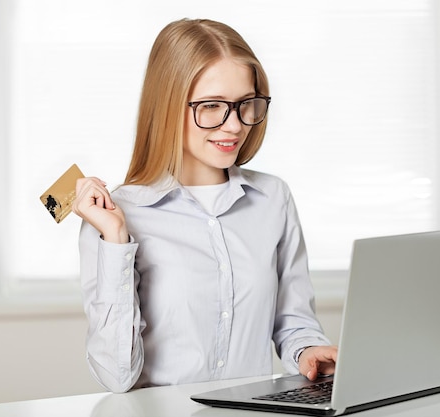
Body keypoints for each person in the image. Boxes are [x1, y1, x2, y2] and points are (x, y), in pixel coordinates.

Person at [72, 18, 337, 393]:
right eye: (212, 106)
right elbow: (117, 376)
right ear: (166, 106)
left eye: (246, 104)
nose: (234, 126)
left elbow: (293, 321)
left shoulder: (274, 199)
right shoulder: (116, 217)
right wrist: (116, 239)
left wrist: (308, 351)